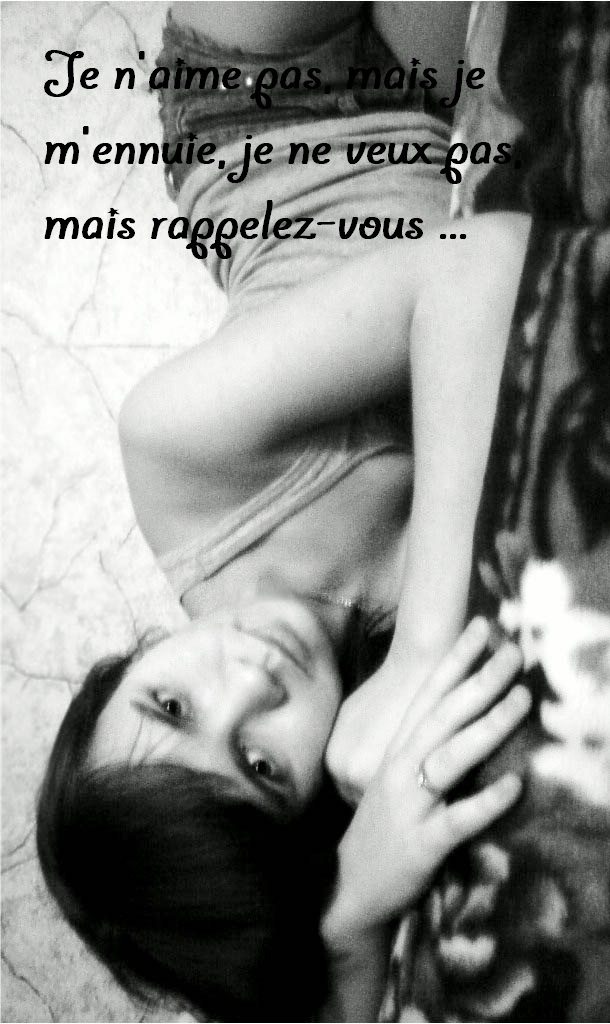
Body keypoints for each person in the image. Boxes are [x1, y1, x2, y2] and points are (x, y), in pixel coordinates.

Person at [37, 2, 533, 1020]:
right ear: (310, 807)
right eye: (261, 764)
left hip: (270, 108)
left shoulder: (177, 447)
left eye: (169, 705)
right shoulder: (374, 723)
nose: (248, 682)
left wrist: (420, 651)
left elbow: (482, 266)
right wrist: (351, 919)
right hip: (445, 132)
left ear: (119, 674)